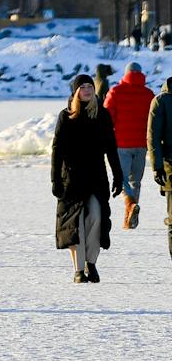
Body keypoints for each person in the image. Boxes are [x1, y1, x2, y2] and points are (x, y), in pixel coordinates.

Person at [52, 73, 122, 284]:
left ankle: (91, 262)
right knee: (75, 225)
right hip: (71, 180)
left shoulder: (102, 115)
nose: (87, 90)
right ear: (76, 92)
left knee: (97, 218)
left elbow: (111, 147)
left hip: (96, 178)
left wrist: (118, 175)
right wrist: (55, 179)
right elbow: (57, 149)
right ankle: (78, 270)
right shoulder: (66, 116)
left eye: (90, 86)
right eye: (82, 87)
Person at [104, 61, 153, 229]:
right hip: (141, 144)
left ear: (125, 74)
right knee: (136, 181)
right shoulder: (148, 94)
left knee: (122, 178)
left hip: (121, 143)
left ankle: (131, 206)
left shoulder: (115, 92)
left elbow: (107, 119)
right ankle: (130, 218)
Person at [147, 73, 172, 260]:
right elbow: (153, 136)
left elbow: (153, 137)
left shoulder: (160, 100)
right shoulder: (161, 101)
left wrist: (157, 167)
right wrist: (157, 166)